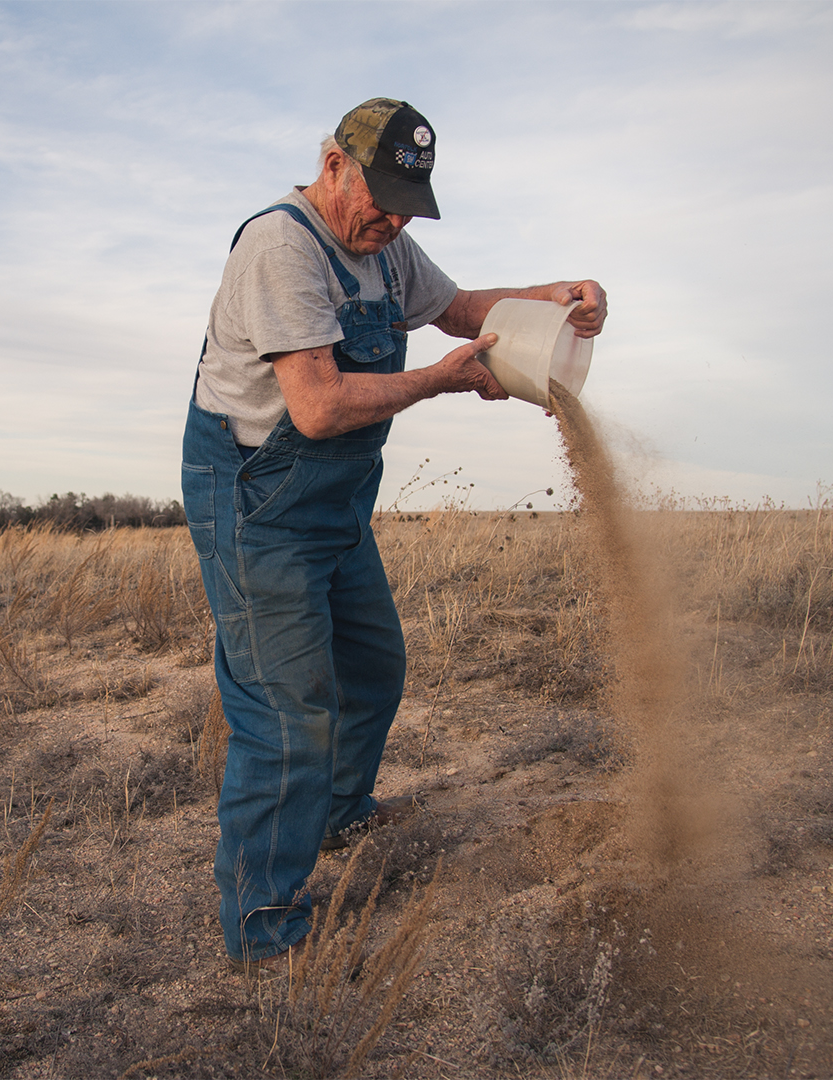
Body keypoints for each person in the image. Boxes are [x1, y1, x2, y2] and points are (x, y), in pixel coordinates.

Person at [181, 98, 607, 969]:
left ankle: (336, 816)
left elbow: (461, 311)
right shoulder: (281, 247)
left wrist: (555, 296)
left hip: (334, 503)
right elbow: (319, 403)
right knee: (284, 712)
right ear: (332, 162)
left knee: (373, 669)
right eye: (378, 195)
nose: (391, 217)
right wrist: (441, 383)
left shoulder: (386, 247)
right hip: (259, 500)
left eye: (407, 202)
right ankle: (262, 926)